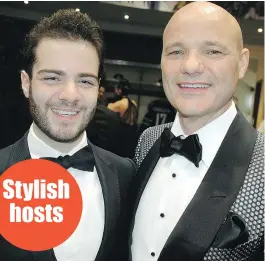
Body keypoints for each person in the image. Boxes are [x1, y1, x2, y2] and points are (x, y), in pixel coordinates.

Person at [129, 2, 264, 261]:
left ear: (242, 63)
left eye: (212, 51)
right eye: (176, 51)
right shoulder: (148, 140)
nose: (190, 66)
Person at [0, 9, 135, 261]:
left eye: (85, 81)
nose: (70, 95)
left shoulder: (125, 176)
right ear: (26, 83)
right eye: (52, 78)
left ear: (98, 88)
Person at [108, 75, 138, 158]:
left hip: (121, 138)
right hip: (133, 137)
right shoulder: (134, 103)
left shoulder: (116, 105)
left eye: (115, 89)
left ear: (119, 90)